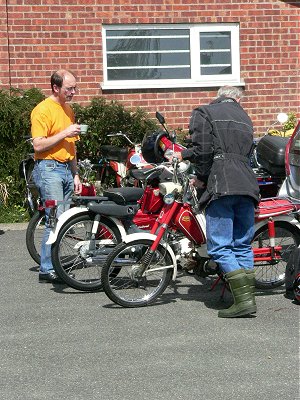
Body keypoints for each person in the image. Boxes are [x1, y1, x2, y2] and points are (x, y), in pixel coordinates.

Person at [174, 86, 260, 318]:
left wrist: (201, 178)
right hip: (247, 184)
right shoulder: (245, 117)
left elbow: (204, 150)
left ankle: (242, 301)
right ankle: (245, 299)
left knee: (220, 246)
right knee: (241, 244)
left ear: (219, 95)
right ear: (237, 99)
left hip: (222, 183)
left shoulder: (204, 112)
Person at [31, 69, 82, 283]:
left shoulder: (68, 110)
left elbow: (71, 146)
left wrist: (76, 174)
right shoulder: (42, 110)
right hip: (49, 168)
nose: (73, 92)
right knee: (54, 220)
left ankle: (54, 265)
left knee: (63, 220)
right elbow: (38, 144)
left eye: (74, 88)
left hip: (65, 169)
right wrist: (64, 133)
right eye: (69, 88)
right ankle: (46, 269)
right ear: (56, 88)